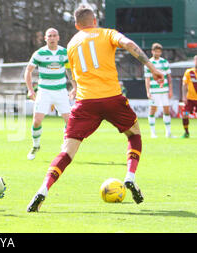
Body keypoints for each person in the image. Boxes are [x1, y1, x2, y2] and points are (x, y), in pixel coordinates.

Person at [26, 4, 165, 212]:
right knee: (134, 133)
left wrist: (75, 90)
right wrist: (153, 68)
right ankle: (130, 176)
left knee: (67, 152)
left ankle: (43, 190)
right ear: (94, 21)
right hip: (111, 98)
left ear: (76, 25)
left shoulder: (71, 44)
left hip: (85, 102)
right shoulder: (107, 33)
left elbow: (73, 74)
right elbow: (128, 44)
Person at [25, 27, 77, 160]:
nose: (52, 38)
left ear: (58, 37)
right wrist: (31, 89)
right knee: (37, 121)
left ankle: (65, 147)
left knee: (69, 120)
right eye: (49, 36)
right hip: (44, 91)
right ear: (45, 38)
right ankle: (36, 145)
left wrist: (74, 87)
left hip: (60, 91)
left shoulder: (64, 52)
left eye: (54, 35)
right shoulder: (39, 53)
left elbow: (69, 71)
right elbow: (28, 71)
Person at [144, 43, 174, 138]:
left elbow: (169, 77)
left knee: (166, 109)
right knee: (153, 110)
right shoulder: (148, 63)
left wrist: (170, 90)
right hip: (154, 91)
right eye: (156, 51)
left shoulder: (164, 62)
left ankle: (168, 133)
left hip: (164, 90)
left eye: (159, 51)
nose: (157, 53)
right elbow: (147, 79)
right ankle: (153, 133)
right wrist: (148, 91)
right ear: (152, 51)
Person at [181, 55, 197, 138]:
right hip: (190, 99)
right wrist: (184, 96)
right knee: (185, 114)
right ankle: (186, 132)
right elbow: (184, 84)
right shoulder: (189, 72)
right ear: (194, 61)